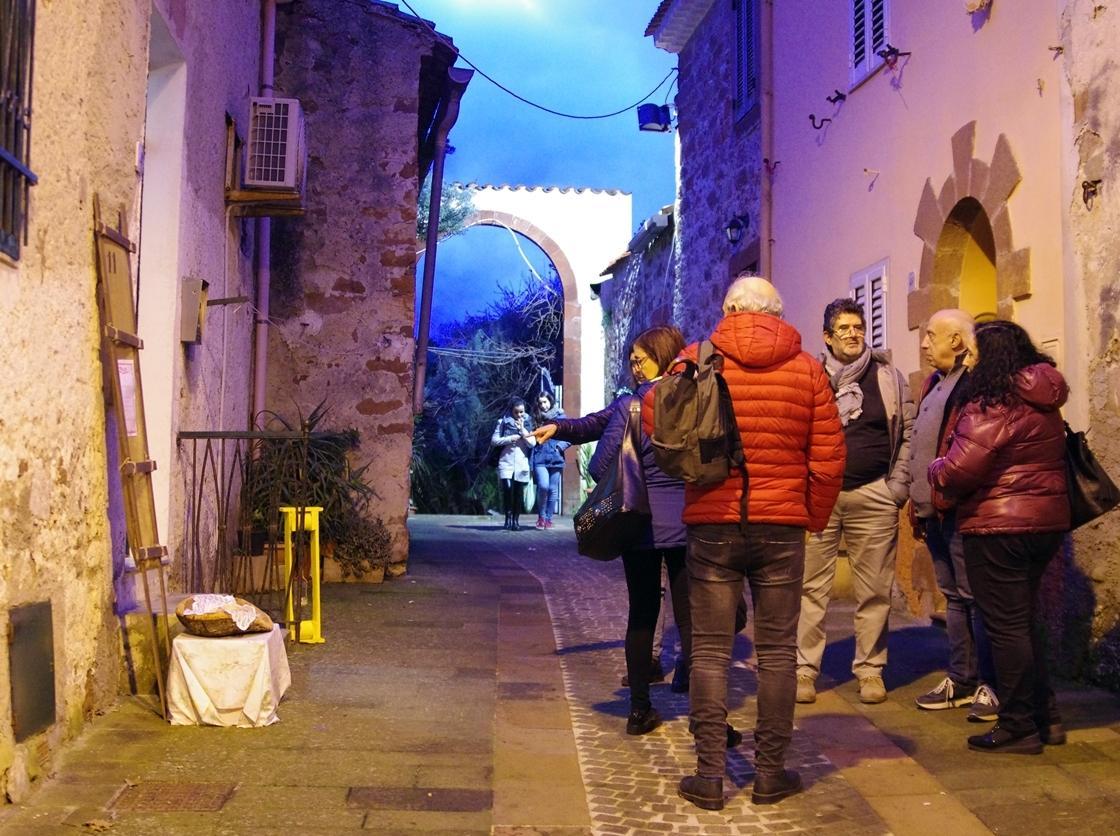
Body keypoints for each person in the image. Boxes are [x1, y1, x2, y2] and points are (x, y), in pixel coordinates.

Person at [668, 276, 845, 810]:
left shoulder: (697, 359)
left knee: (709, 652)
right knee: (777, 654)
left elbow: (658, 419)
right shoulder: (807, 369)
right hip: (782, 527)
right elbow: (830, 456)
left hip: (713, 522)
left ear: (729, 309)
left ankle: (709, 776)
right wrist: (812, 517)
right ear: (778, 314)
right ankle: (769, 774)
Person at [534, 326, 714, 738]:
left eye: (640, 359)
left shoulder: (632, 404)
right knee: (691, 619)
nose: (634, 366)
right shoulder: (696, 398)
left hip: (640, 522)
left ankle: (639, 709)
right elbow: (594, 422)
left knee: (643, 612)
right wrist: (560, 427)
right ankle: (705, 715)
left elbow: (601, 462)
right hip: (687, 521)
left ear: (662, 356)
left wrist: (616, 466)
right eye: (632, 360)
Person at [929, 321, 1070, 754]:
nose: (968, 362)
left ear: (990, 357)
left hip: (998, 527)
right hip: (1045, 523)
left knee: (1006, 628)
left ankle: (1018, 726)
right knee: (1024, 622)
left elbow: (959, 471)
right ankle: (1046, 717)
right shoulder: (1044, 396)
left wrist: (935, 468)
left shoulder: (991, 404)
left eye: (973, 353)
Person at [796, 298, 914, 705]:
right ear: (827, 337)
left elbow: (908, 433)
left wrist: (895, 488)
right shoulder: (810, 377)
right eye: (843, 328)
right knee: (810, 588)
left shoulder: (888, 377)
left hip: (874, 493)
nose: (853, 334)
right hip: (819, 496)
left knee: (875, 589)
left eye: (858, 327)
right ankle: (804, 670)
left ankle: (870, 670)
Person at [909, 309, 999, 721]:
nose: (924, 343)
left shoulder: (973, 386)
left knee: (975, 598)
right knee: (954, 597)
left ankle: (989, 684)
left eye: (931, 335)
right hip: (933, 512)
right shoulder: (934, 382)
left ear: (957, 342)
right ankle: (962, 678)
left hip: (962, 511)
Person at [491, 398, 536, 531]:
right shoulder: (503, 422)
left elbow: (532, 443)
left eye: (522, 412)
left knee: (518, 492)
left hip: (522, 463)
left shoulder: (528, 422)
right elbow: (494, 441)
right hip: (506, 461)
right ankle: (508, 518)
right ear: (511, 411)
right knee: (508, 489)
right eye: (516, 412)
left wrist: (522, 430)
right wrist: (509, 439)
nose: (519, 415)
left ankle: (515, 521)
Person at [530, 392, 568, 529]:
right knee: (543, 486)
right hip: (540, 457)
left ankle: (548, 519)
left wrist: (559, 447)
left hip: (556, 457)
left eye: (545, 402)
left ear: (550, 401)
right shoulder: (536, 417)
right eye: (540, 403)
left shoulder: (561, 417)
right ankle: (541, 516)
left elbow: (570, 436)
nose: (543, 405)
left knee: (553, 489)